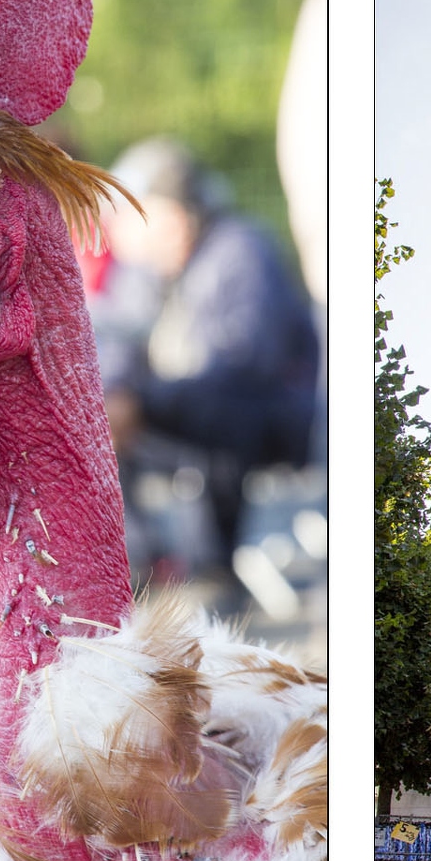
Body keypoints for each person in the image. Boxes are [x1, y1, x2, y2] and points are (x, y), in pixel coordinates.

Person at [95, 139, 320, 579]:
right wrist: (118, 394)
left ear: (173, 216)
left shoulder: (241, 250)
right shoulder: (149, 270)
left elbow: (244, 367)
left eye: (130, 217)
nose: (117, 233)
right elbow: (117, 338)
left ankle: (210, 570)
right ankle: (143, 565)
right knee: (99, 423)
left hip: (274, 418)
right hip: (189, 413)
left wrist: (141, 402)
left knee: (216, 420)